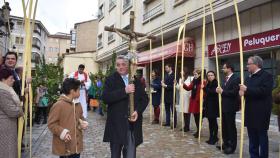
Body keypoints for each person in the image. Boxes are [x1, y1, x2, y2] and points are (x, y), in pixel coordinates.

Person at [102, 55, 148, 158]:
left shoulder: (136, 80)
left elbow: (145, 99)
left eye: (123, 64)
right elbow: (105, 98)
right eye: (118, 65)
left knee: (130, 155)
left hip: (131, 124)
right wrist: (124, 91)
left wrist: (137, 111)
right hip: (116, 125)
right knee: (115, 155)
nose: (120, 67)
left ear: (128, 66)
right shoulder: (111, 79)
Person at [239, 56, 273, 158]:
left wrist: (247, 90)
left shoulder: (267, 76)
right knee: (252, 138)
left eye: (249, 64)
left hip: (261, 112)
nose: (247, 66)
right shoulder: (248, 77)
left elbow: (264, 91)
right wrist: (241, 93)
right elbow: (246, 92)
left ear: (256, 64)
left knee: (262, 138)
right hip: (250, 112)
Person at [48, 78, 88, 158]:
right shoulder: (58, 105)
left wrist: (82, 123)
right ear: (72, 91)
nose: (80, 92)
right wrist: (63, 132)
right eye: (78, 90)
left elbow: (81, 117)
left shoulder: (78, 104)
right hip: (65, 147)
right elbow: (51, 124)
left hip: (77, 146)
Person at [216, 62, 240, 154]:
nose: (223, 69)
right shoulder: (225, 79)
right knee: (224, 126)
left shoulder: (236, 78)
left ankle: (232, 146)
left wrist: (222, 91)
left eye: (224, 68)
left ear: (229, 68)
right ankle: (225, 143)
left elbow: (234, 93)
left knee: (230, 127)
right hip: (223, 106)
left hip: (230, 106)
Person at [0, 68, 24, 158]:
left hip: (7, 127)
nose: (13, 80)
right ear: (3, 79)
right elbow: (13, 111)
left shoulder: (6, 90)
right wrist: (21, 109)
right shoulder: (2, 92)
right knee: (7, 152)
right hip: (5, 128)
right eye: (11, 78)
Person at [183, 69, 205, 138]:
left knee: (199, 116)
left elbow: (204, 92)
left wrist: (201, 98)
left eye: (195, 74)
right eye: (194, 74)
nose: (194, 75)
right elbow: (189, 88)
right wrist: (183, 83)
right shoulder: (194, 81)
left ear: (199, 74)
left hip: (199, 101)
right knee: (195, 116)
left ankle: (199, 130)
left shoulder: (203, 82)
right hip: (193, 100)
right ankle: (198, 130)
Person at [203, 71, 219, 145]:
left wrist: (204, 88)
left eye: (211, 75)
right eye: (208, 75)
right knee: (210, 122)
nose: (210, 77)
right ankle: (211, 137)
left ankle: (214, 137)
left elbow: (212, 92)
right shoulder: (208, 83)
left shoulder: (216, 83)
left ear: (214, 76)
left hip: (213, 106)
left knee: (213, 122)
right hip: (208, 105)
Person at [176, 67, 193, 132]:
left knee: (187, 112)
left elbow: (190, 88)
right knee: (184, 112)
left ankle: (187, 126)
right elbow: (180, 88)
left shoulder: (191, 78)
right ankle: (185, 125)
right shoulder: (181, 79)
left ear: (185, 71)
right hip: (182, 97)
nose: (180, 72)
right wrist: (176, 84)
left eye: (182, 71)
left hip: (188, 97)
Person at [161, 64, 177, 128]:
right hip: (166, 95)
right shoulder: (165, 75)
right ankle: (167, 122)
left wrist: (165, 86)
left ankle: (174, 124)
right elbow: (164, 83)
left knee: (173, 110)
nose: (165, 69)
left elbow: (173, 86)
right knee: (167, 109)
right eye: (165, 68)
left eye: (167, 68)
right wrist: (162, 83)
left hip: (172, 95)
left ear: (170, 68)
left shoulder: (174, 75)